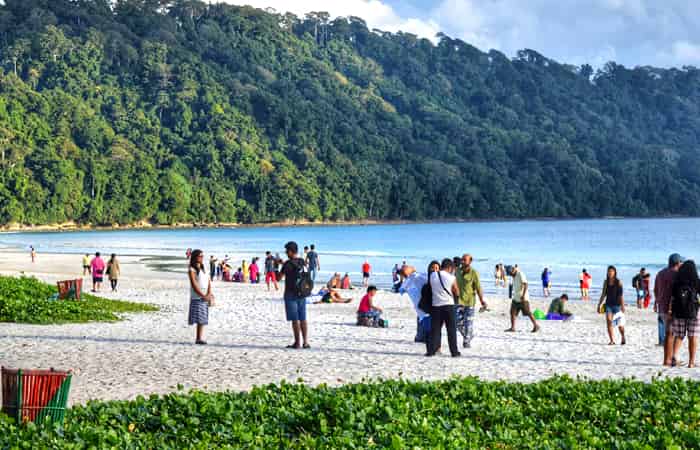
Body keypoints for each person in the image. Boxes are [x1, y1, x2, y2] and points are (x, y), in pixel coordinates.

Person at [279, 241, 310, 349]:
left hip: (290, 293)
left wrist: (280, 265)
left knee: (295, 319)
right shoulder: (302, 261)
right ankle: (305, 342)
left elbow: (279, 278)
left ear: (291, 251)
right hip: (302, 292)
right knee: (303, 318)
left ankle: (297, 343)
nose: (286, 253)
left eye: (287, 251)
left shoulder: (287, 264)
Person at [670, 260, 700, 368]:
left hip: (679, 312)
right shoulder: (696, 281)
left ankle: (674, 357)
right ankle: (691, 362)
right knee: (693, 337)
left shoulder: (677, 282)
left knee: (679, 336)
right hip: (694, 312)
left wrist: (670, 312)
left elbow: (672, 299)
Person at [427, 258, 460, 357]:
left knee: (435, 329)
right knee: (451, 330)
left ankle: (431, 351)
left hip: (436, 305)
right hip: (448, 305)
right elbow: (456, 291)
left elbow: (431, 287)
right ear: (450, 267)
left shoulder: (433, 275)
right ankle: (454, 352)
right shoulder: (451, 277)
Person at [655, 253, 683, 366]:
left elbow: (655, 290)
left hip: (661, 306)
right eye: (681, 262)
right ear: (677, 263)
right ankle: (668, 359)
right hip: (671, 307)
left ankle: (669, 358)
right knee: (671, 334)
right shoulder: (676, 274)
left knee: (669, 333)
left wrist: (658, 301)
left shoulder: (660, 273)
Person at [455, 254, 487, 348]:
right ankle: (469, 335)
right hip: (458, 301)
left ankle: (466, 341)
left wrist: (482, 301)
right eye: (462, 260)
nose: (462, 261)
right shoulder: (457, 271)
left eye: (465, 260)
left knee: (468, 323)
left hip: (470, 302)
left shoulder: (474, 273)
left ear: (470, 261)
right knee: (458, 323)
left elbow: (478, 288)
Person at [188, 249, 214, 345]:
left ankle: (199, 338)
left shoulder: (204, 268)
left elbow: (208, 281)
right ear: (195, 257)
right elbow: (194, 285)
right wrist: (203, 295)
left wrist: (209, 293)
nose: (201, 258)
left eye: (202, 256)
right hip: (197, 296)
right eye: (200, 256)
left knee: (203, 318)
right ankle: (198, 338)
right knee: (199, 317)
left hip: (205, 294)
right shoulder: (192, 269)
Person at [399, 264, 430, 343]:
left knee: (422, 320)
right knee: (424, 321)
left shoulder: (408, 281)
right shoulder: (416, 277)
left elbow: (401, 290)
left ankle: (421, 337)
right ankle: (422, 337)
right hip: (424, 305)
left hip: (421, 306)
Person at [597, 265, 626, 345]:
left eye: (612, 271)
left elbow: (621, 295)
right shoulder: (606, 282)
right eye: (609, 271)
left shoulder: (618, 282)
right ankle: (612, 340)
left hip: (617, 305)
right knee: (609, 322)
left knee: (620, 324)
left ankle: (623, 336)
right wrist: (599, 304)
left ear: (615, 272)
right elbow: (603, 294)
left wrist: (623, 306)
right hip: (608, 305)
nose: (610, 273)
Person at [506, 265, 540, 333]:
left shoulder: (520, 274)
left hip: (523, 298)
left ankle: (536, 325)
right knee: (512, 312)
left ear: (513, 270)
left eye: (510, 274)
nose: (510, 275)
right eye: (509, 274)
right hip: (516, 298)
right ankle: (512, 328)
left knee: (528, 312)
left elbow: (526, 284)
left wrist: (523, 295)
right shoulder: (513, 276)